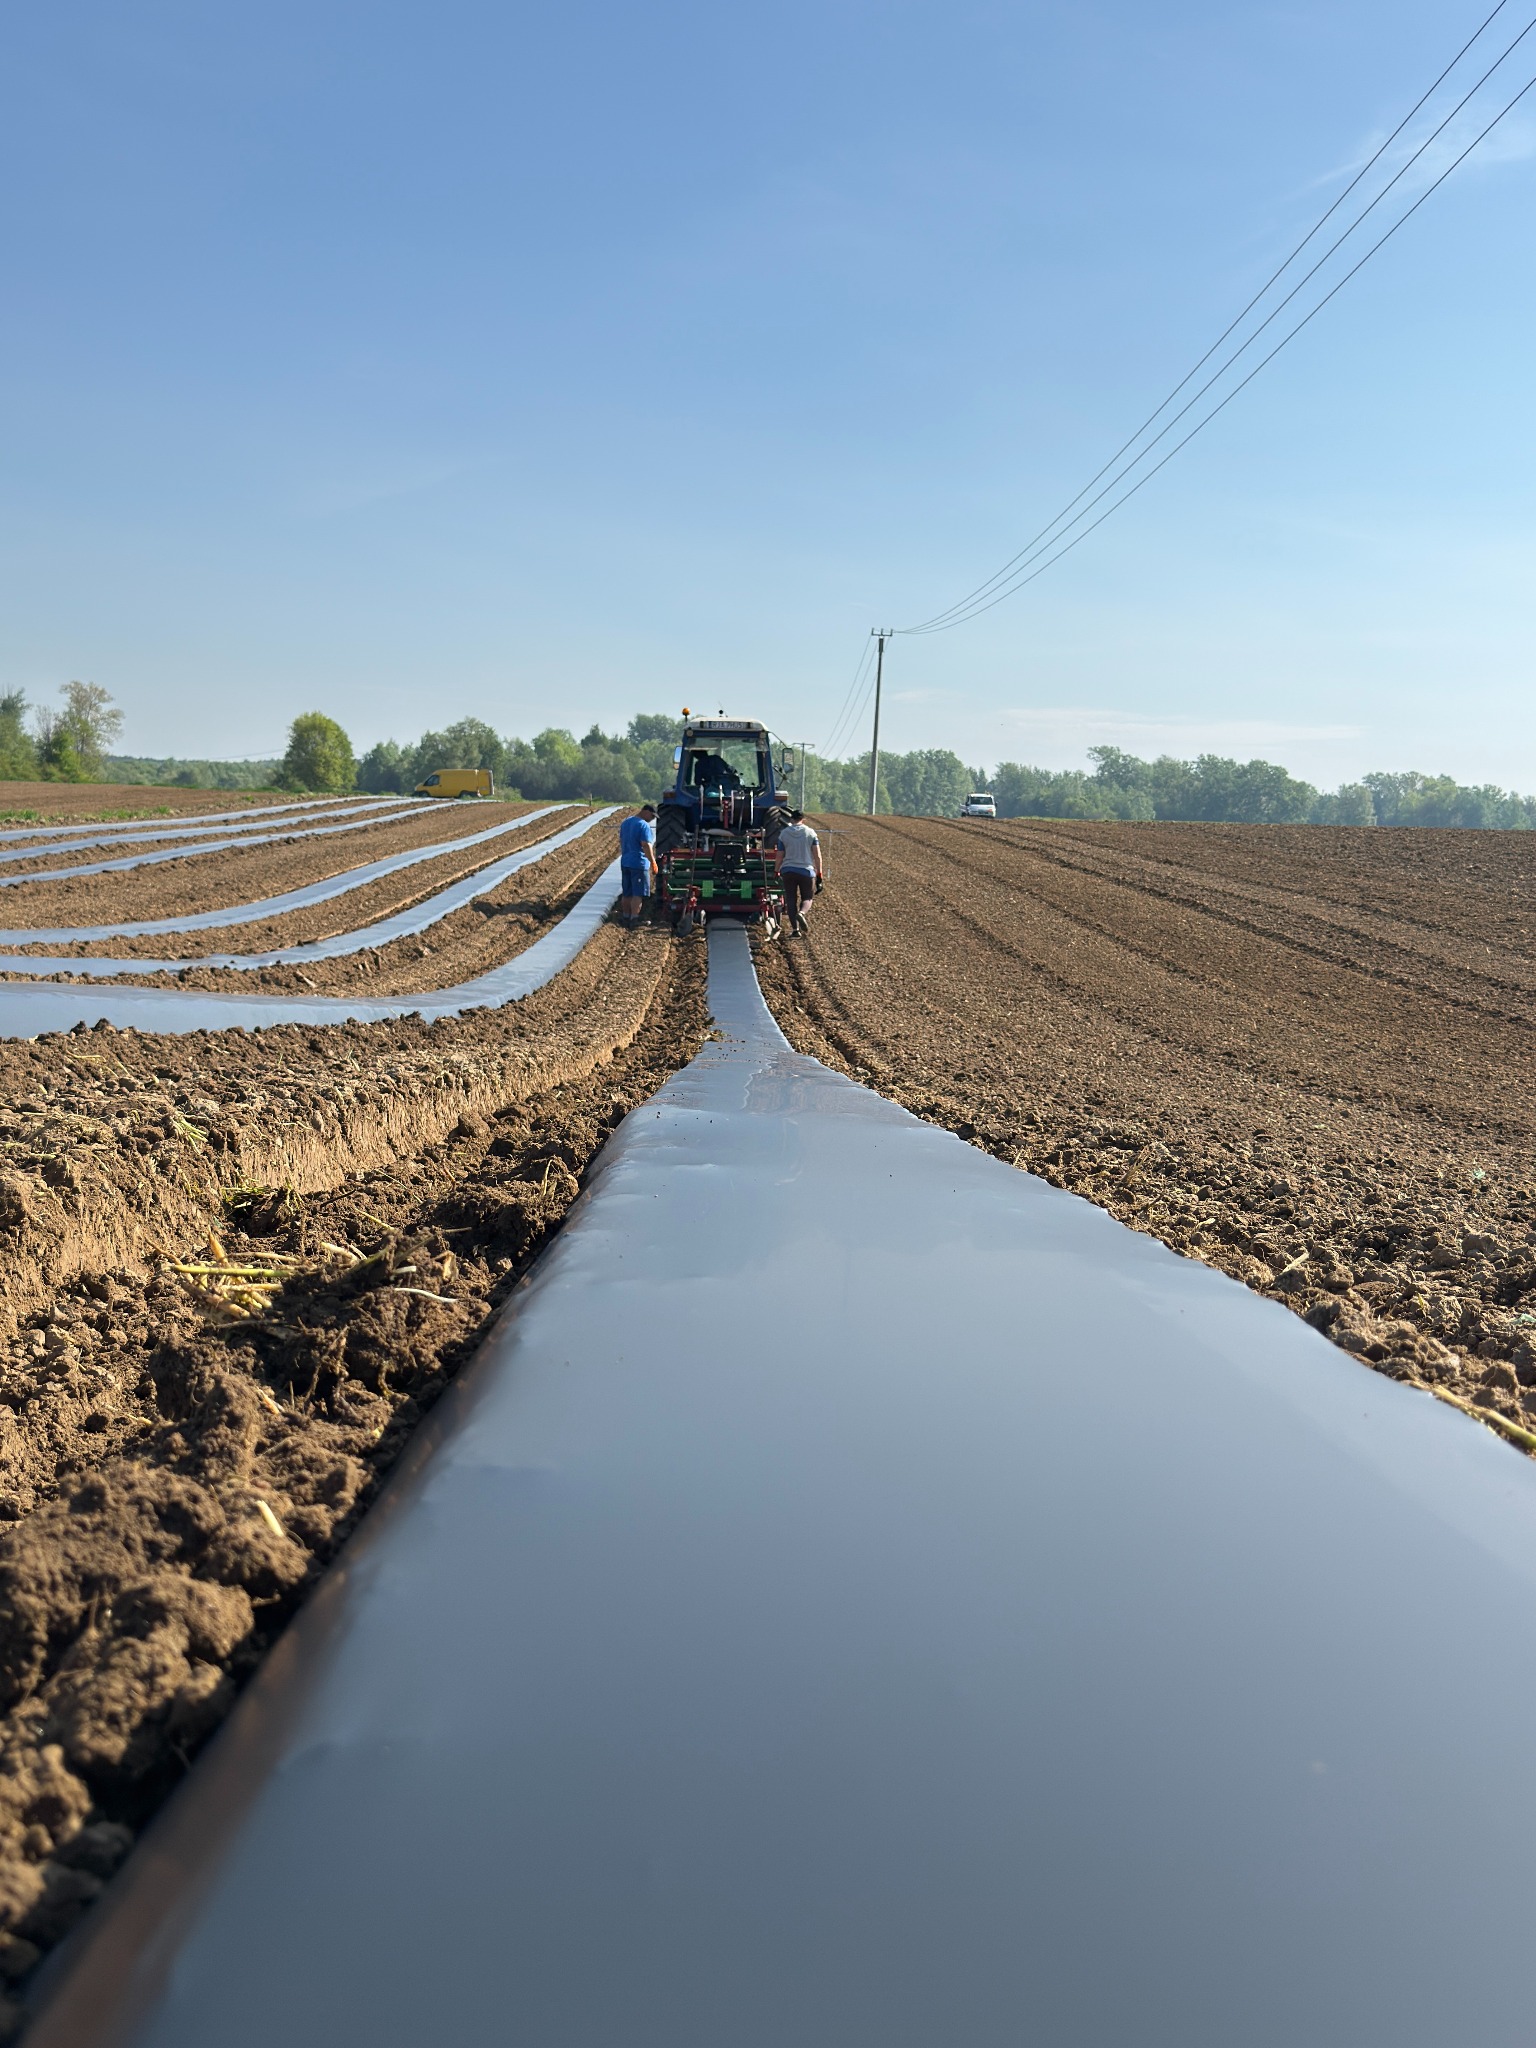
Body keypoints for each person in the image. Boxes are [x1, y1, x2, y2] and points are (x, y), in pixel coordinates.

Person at [774, 809, 822, 936]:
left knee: (790, 899)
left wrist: (776, 870)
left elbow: (779, 856)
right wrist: (819, 875)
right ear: (803, 819)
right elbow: (817, 856)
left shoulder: (784, 834)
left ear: (791, 819)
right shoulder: (811, 833)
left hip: (788, 870)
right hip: (806, 871)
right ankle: (802, 913)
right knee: (807, 897)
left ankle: (795, 930)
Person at [618, 803, 658, 928]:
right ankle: (635, 919)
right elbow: (646, 845)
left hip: (625, 862)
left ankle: (625, 916)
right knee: (637, 893)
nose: (652, 819)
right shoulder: (643, 825)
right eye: (652, 815)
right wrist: (653, 862)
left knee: (627, 892)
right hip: (638, 863)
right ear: (645, 811)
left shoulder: (626, 823)